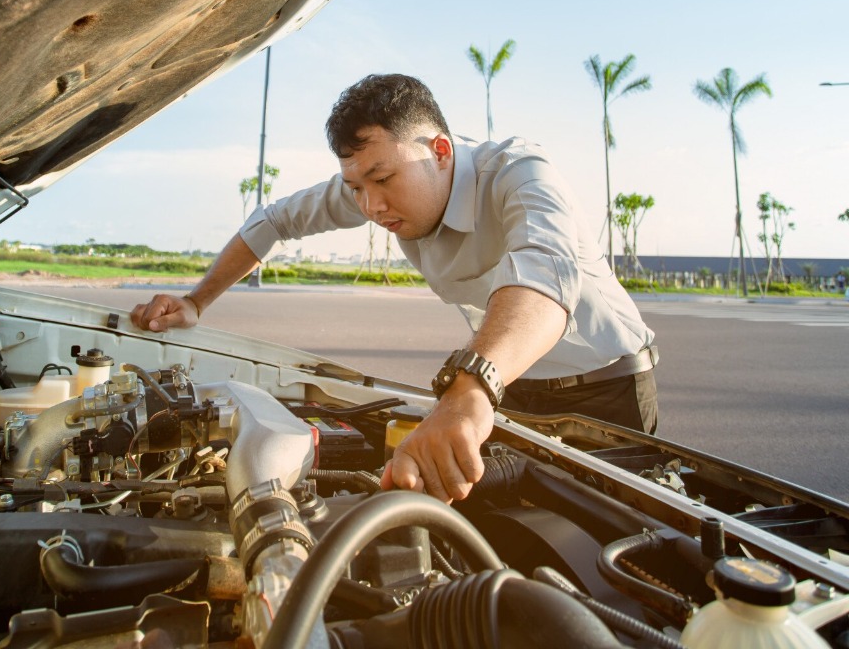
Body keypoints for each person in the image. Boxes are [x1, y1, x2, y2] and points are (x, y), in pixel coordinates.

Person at [130, 73, 657, 504]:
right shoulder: (369, 188)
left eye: (383, 180)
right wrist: (198, 300)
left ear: (441, 151)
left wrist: (468, 390)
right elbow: (273, 222)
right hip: (505, 388)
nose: (370, 206)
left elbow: (543, 274)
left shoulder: (520, 172)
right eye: (356, 186)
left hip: (606, 392)